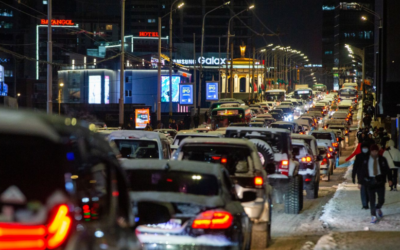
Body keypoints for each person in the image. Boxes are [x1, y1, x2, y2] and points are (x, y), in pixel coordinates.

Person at [353, 144, 392, 223]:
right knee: (372, 200)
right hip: (370, 182)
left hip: (380, 181)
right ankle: (373, 215)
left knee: (381, 199)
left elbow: (387, 170)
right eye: (373, 151)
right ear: (370, 151)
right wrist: (360, 182)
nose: (374, 153)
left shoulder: (382, 159)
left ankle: (378, 207)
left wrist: (390, 179)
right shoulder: (366, 160)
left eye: (376, 151)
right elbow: (362, 171)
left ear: (378, 151)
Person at [352, 142, 371, 209]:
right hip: (361, 176)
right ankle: (365, 204)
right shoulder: (359, 156)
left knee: (369, 191)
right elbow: (355, 167)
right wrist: (353, 176)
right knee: (363, 191)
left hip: (370, 176)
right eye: (363, 148)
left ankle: (367, 201)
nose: (365, 149)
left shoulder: (370, 156)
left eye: (366, 148)